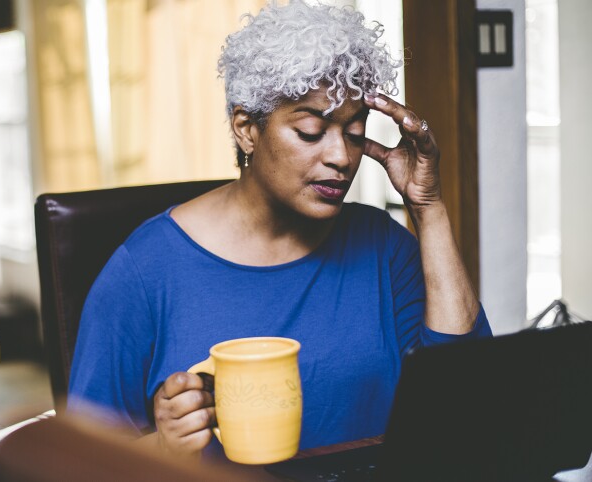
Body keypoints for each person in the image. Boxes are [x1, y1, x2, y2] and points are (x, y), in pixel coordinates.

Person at [67, 0, 492, 461]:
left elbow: (467, 397)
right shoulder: (145, 272)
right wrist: (162, 447)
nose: (341, 157)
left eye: (353, 132)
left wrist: (428, 207)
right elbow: (75, 463)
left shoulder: (382, 245)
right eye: (311, 131)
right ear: (247, 128)